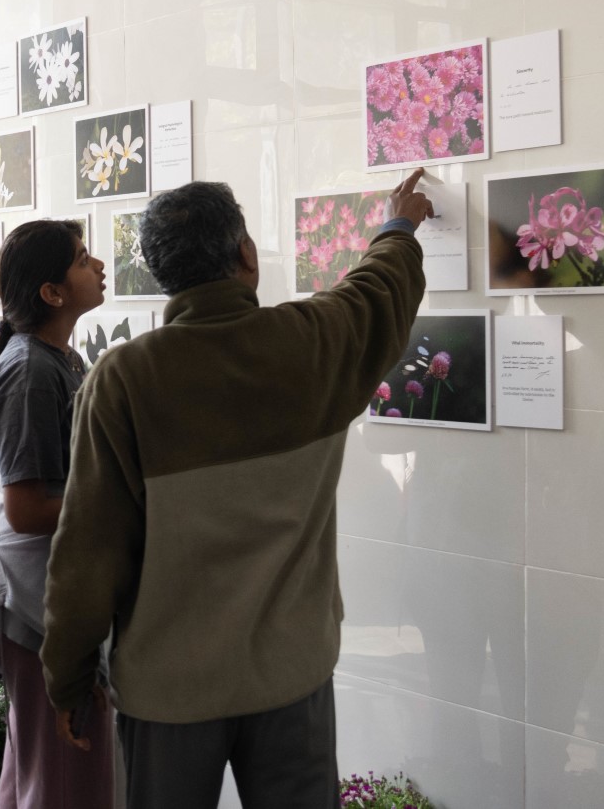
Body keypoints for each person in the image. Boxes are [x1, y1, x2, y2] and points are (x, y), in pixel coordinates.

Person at [41, 169, 434, 809]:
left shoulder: (123, 380)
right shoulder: (313, 341)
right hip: (292, 676)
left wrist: (67, 677)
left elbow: (88, 553)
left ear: (162, 276)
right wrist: (399, 226)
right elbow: (378, 292)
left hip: (168, 690)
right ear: (246, 255)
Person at [0, 220, 114, 809]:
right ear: (51, 292)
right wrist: (123, 505)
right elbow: (26, 510)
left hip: (53, 584)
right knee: (60, 774)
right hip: (35, 593)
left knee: (39, 771)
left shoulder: (57, 357)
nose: (98, 266)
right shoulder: (30, 370)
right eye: (81, 259)